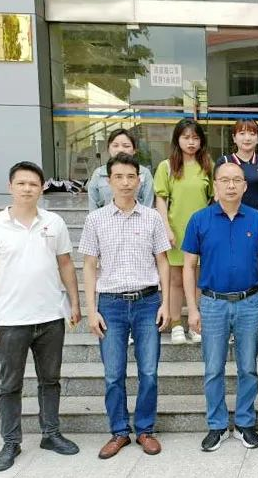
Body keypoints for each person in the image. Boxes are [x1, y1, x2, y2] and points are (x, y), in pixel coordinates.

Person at [0, 161, 82, 472]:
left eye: (33, 184)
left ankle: (51, 433)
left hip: (50, 316)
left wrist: (75, 302)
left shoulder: (54, 222)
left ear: (42, 188)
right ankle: (11, 441)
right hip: (11, 320)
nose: (27, 189)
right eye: (21, 183)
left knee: (50, 380)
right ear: (10, 186)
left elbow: (65, 264)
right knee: (10, 384)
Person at [80, 153, 171, 459]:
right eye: (118, 177)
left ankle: (145, 429)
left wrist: (166, 302)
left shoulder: (152, 217)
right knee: (113, 374)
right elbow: (89, 265)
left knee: (149, 371)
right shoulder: (95, 219)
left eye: (131, 176)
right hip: (111, 305)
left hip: (148, 302)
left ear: (139, 180)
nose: (125, 182)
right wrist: (91, 309)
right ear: (109, 181)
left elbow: (163, 261)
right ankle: (119, 431)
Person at [181, 162, 258, 452]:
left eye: (236, 180)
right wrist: (192, 308)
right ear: (215, 185)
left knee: (248, 367)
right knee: (213, 368)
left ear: (245, 186)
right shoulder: (199, 220)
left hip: (249, 303)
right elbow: (188, 267)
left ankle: (245, 423)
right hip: (212, 304)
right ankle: (217, 425)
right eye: (224, 180)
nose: (231, 185)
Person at [154, 118, 213, 345]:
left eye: (195, 138)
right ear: (177, 139)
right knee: (176, 279)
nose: (191, 142)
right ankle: (176, 323)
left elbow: (212, 199)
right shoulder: (166, 166)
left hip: (202, 232)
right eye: (186, 137)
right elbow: (161, 199)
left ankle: (195, 324)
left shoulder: (207, 165)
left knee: (197, 278)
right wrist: (166, 228)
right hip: (176, 230)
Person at [215, 118, 258, 217]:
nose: (247, 138)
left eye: (252, 134)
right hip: (230, 218)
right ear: (234, 138)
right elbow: (218, 194)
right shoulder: (224, 161)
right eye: (242, 133)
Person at [86, 128, 155, 209]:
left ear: (134, 150)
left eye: (126, 146)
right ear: (108, 149)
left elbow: (148, 206)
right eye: (115, 145)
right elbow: (93, 207)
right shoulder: (98, 173)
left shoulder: (144, 173)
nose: (121, 150)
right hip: (105, 217)